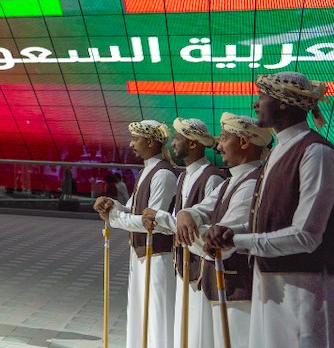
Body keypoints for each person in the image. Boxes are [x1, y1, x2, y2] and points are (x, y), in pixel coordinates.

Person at [204, 72, 334, 347]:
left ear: (282, 103)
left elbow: (307, 236)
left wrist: (237, 240)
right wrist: (229, 232)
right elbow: (271, 220)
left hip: (308, 291)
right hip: (273, 284)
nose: (256, 104)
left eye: (262, 97)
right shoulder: (280, 151)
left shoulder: (316, 152)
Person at [166, 113, 271, 348]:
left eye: (224, 139)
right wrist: (185, 215)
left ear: (243, 142)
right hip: (221, 286)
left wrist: (182, 228)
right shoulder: (231, 181)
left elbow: (220, 242)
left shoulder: (251, 184)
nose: (219, 146)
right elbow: (200, 210)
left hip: (238, 291)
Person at [93, 120, 178, 348]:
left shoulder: (163, 175)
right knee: (140, 313)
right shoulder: (145, 171)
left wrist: (114, 218)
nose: (131, 144)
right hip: (141, 254)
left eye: (135, 139)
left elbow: (152, 222)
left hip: (159, 256)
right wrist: (111, 205)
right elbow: (132, 209)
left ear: (150, 142)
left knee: (157, 316)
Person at [143, 117, 224, 348]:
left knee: (200, 333)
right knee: (183, 331)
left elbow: (208, 228)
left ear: (193, 143)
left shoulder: (212, 178)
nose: (173, 144)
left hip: (202, 269)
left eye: (178, 138)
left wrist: (159, 216)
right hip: (182, 265)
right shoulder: (183, 176)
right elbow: (176, 221)